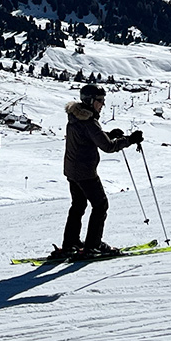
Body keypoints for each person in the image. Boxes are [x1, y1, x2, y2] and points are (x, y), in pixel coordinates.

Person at [54, 83, 142, 259]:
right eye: (100, 100)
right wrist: (130, 140)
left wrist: (108, 134)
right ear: (90, 101)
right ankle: (92, 246)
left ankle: (70, 243)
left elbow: (90, 136)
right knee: (100, 205)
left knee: (78, 205)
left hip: (72, 171)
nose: (102, 104)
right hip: (85, 172)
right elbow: (108, 147)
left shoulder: (75, 117)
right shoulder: (89, 122)